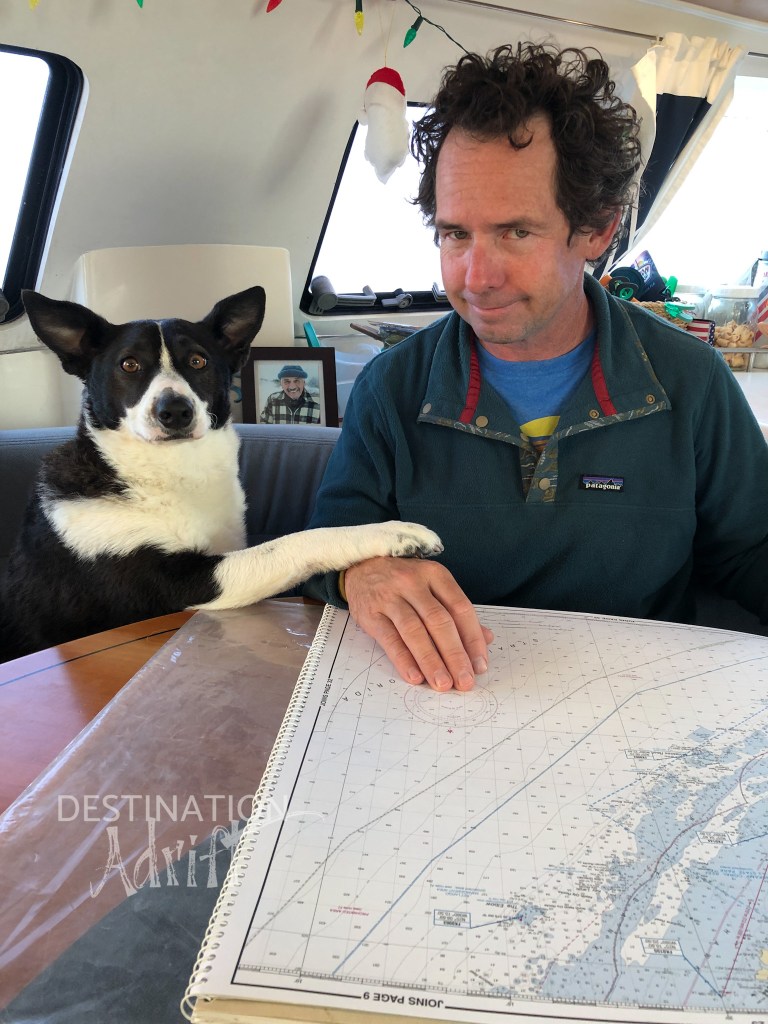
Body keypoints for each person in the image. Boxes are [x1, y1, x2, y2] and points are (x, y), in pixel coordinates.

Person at [303, 43, 768, 693]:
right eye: (456, 234)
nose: (476, 278)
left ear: (597, 229)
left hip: (641, 706)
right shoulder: (391, 389)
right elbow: (326, 545)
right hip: (447, 706)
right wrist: (360, 571)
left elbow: (752, 552)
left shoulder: (691, 381)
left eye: (516, 232)